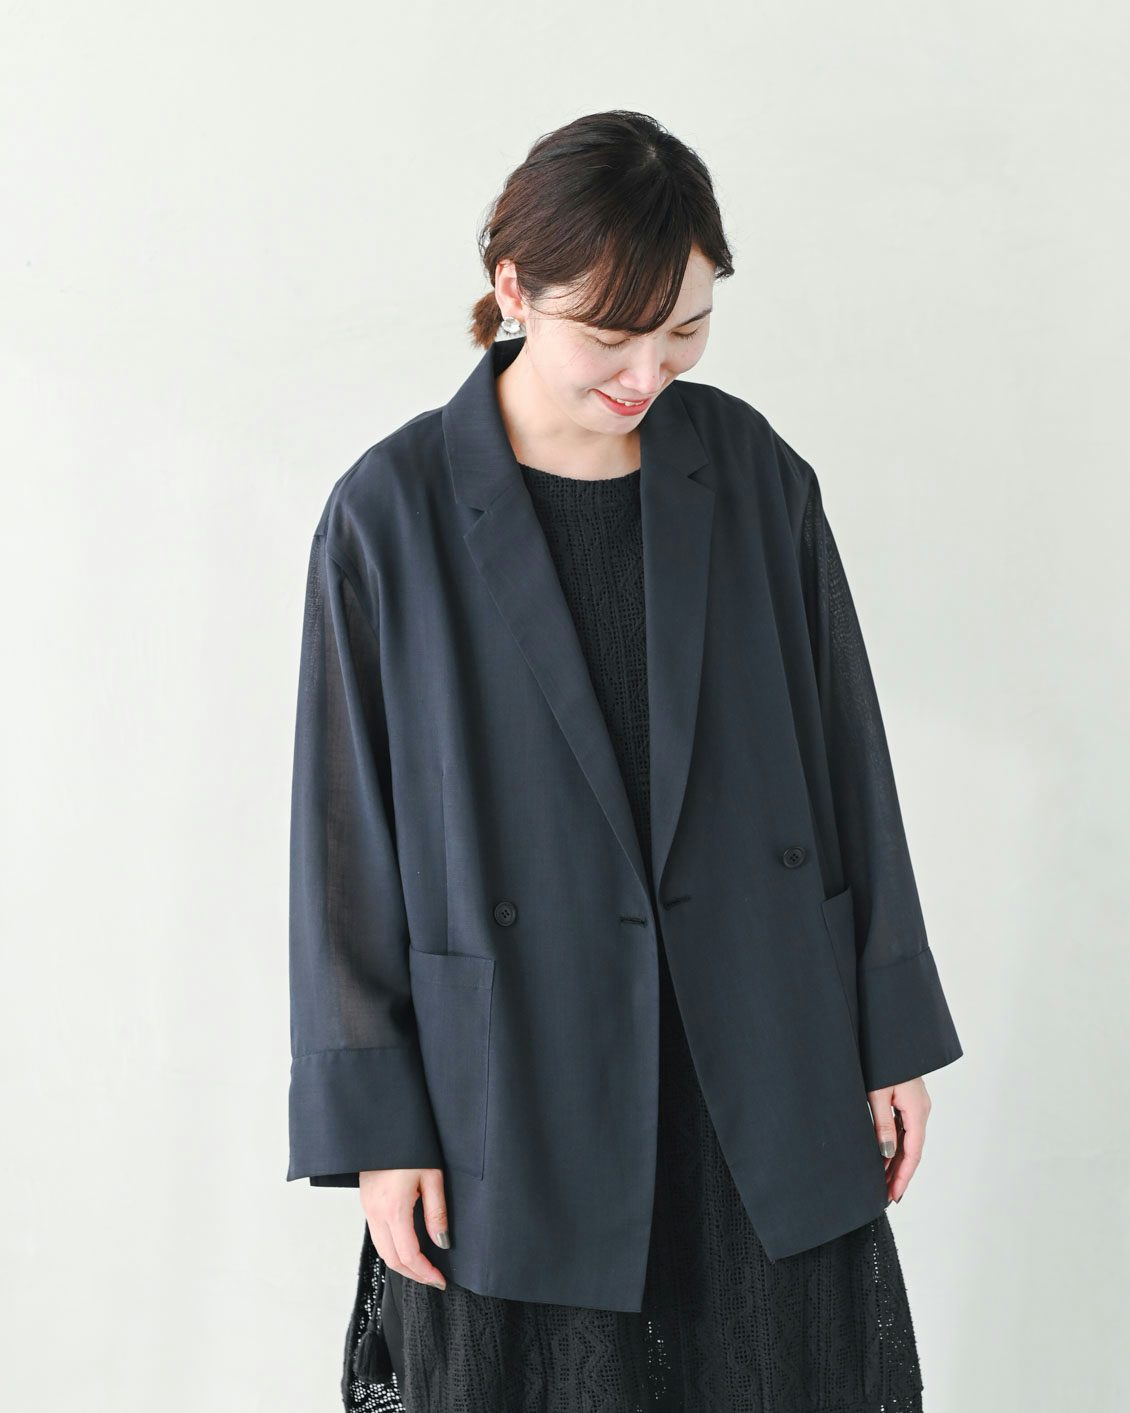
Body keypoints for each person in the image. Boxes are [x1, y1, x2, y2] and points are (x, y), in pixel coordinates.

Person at [287, 110, 963, 1413]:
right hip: (518, 1071)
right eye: (610, 333)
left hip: (761, 1040)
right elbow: (343, 844)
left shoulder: (752, 473)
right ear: (511, 291)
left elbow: (848, 757)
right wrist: (376, 1130)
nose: (648, 370)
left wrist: (889, 1034)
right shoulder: (391, 513)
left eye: (687, 328)